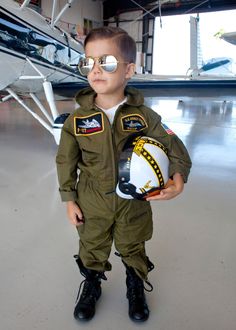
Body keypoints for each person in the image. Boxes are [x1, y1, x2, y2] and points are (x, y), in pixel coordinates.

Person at [56, 26, 192, 323]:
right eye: (88, 62)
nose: (95, 70)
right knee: (91, 245)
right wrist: (69, 199)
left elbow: (173, 144)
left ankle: (135, 285)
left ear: (129, 70)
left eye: (106, 62)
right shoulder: (77, 120)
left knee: (133, 245)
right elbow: (65, 160)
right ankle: (92, 284)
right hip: (92, 200)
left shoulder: (144, 116)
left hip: (134, 202)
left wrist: (178, 176)